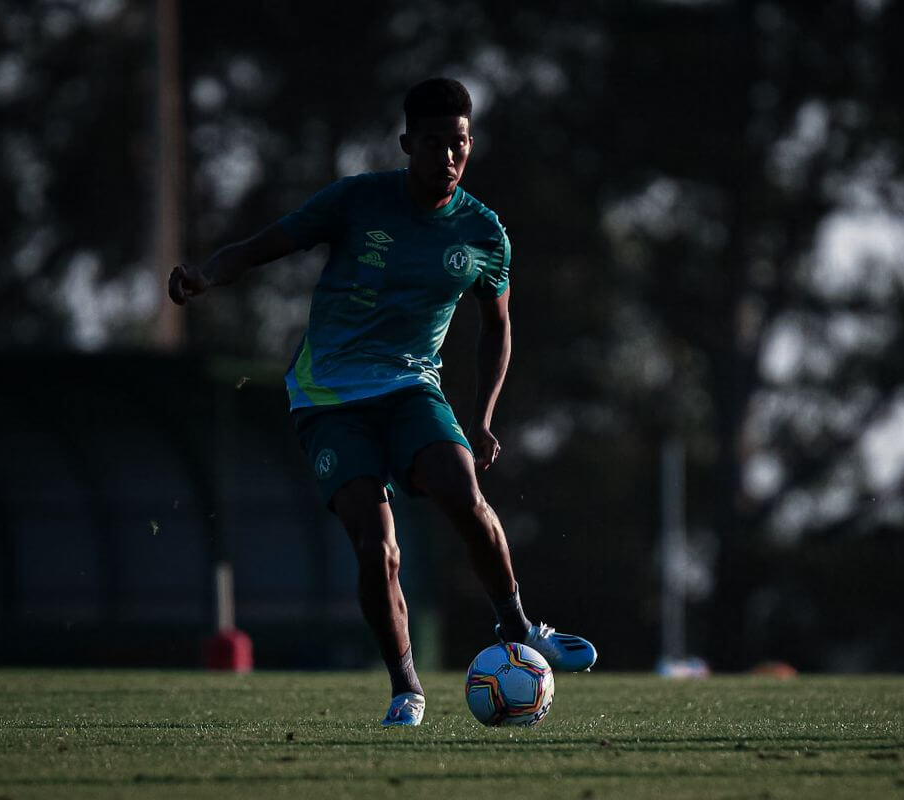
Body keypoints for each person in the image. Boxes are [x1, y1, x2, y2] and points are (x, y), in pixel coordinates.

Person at [168, 78, 596, 727]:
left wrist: (480, 418)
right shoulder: (358, 200)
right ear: (406, 145)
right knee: (379, 547)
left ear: (469, 143)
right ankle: (406, 687)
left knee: (461, 490)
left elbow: (498, 325)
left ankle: (518, 627)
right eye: (434, 144)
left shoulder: (483, 233)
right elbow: (265, 246)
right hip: (327, 398)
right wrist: (206, 273)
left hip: (411, 387)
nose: (448, 157)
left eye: (459, 143)